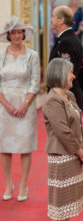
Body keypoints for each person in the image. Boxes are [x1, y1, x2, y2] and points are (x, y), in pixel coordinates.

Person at [42, 58, 83, 221]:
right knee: (60, 207)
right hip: (61, 157)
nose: (73, 76)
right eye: (71, 72)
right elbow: (63, 132)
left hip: (73, 154)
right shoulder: (52, 100)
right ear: (60, 74)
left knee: (68, 206)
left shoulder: (69, 95)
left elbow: (78, 125)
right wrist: (81, 152)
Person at [0, 16, 40, 201]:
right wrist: (7, 105)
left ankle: (23, 183)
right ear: (8, 35)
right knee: (4, 147)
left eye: (19, 32)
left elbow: (35, 82)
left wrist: (24, 104)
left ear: (24, 33)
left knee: (25, 146)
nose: (16, 35)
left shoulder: (32, 55)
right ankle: (8, 183)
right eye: (13, 32)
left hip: (26, 104)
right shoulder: (1, 54)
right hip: (4, 105)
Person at [49, 5, 83, 111]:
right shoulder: (67, 38)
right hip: (70, 97)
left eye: (53, 16)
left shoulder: (66, 42)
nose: (51, 19)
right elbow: (82, 73)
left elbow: (65, 75)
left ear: (61, 20)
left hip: (65, 100)